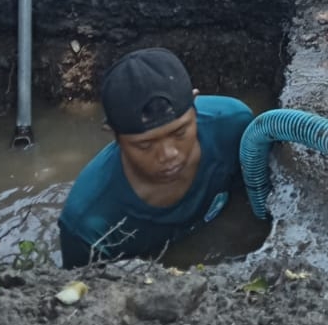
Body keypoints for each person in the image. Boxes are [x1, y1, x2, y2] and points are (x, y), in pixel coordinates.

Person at [58, 47, 253, 268]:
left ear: (194, 102)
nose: (168, 155)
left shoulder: (233, 125)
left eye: (180, 133)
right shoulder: (88, 225)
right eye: (145, 145)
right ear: (114, 134)